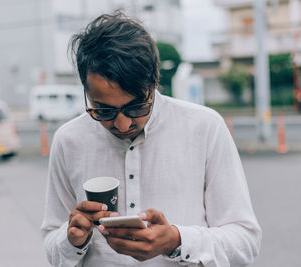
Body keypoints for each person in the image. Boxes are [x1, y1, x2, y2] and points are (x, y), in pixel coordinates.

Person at [41, 12, 261, 267]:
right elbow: (52, 242)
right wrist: (71, 241)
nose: (122, 124)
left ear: (155, 83)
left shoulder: (205, 127)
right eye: (104, 110)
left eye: (136, 107)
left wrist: (177, 240)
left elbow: (246, 241)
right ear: (85, 92)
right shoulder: (68, 140)